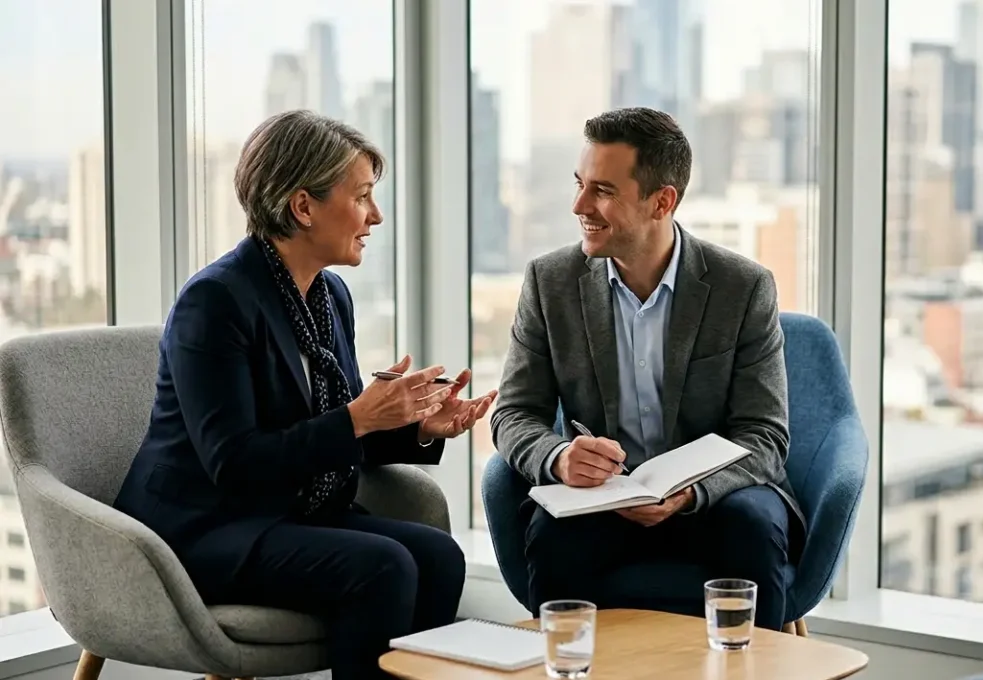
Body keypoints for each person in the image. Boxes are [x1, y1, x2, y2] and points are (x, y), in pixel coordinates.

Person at [113, 110, 496, 680]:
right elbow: (234, 463)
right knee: (383, 566)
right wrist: (359, 417)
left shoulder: (330, 295)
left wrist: (413, 425)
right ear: (303, 207)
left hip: (287, 512)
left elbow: (327, 430)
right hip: (204, 527)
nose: (376, 215)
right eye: (362, 197)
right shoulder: (214, 302)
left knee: (439, 556)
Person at [490, 107, 803, 631]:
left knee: (752, 526)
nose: (579, 206)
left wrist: (691, 492)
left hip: (715, 501)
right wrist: (560, 457)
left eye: (602, 191)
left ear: (662, 201)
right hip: (600, 503)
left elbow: (764, 434)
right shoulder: (550, 283)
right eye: (580, 184)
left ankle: (752, 665)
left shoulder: (743, 287)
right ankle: (569, 667)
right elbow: (514, 413)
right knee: (551, 536)